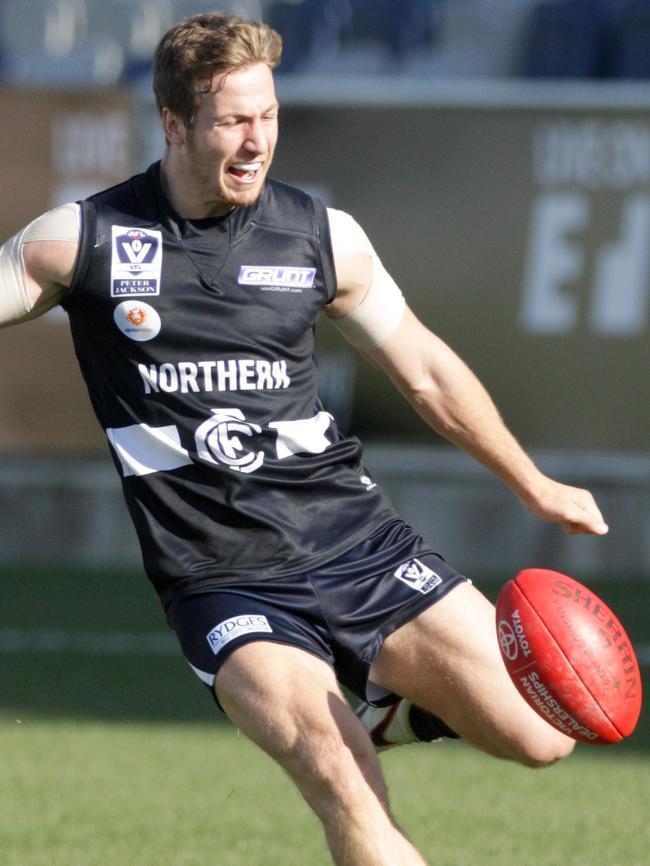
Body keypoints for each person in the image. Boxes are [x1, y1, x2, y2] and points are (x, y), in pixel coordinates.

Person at [0, 11, 609, 866]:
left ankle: (385, 708)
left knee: (546, 733)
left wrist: (531, 482)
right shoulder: (82, 241)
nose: (257, 142)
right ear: (174, 124)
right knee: (342, 776)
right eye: (234, 121)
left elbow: (426, 370)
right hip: (223, 580)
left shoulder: (325, 236)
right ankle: (357, 728)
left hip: (359, 544)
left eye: (270, 117)